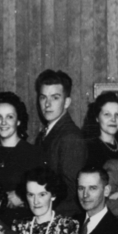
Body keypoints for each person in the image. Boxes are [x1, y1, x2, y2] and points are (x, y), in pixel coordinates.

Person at [0, 91, 43, 215]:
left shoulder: (34, 154)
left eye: (9, 117)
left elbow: (44, 191)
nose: (3, 122)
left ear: (18, 121)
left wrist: (23, 196)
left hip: (23, 221)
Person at [34, 69, 86, 217]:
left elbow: (71, 192)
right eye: (43, 97)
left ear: (67, 102)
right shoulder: (46, 133)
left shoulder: (70, 137)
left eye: (55, 97)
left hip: (61, 218)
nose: (47, 104)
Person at [81, 91, 118, 169]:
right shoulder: (88, 148)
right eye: (107, 114)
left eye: (117, 114)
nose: (113, 119)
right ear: (97, 118)